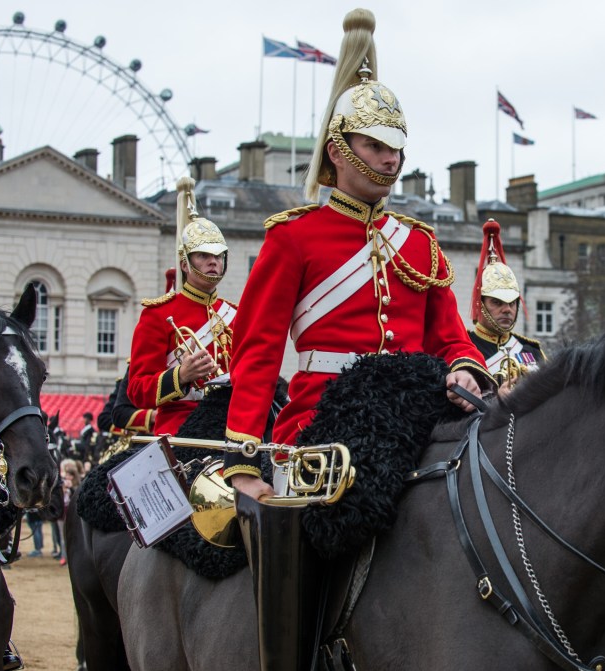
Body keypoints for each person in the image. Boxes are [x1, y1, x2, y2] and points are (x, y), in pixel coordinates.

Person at [221, 9, 491, 670]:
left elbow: (453, 337)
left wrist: (464, 369)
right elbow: (257, 350)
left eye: (395, 146)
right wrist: (243, 459)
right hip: (320, 420)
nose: (389, 158)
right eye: (373, 145)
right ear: (338, 149)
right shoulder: (293, 238)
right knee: (301, 538)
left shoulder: (419, 242)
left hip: (414, 414)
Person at [127, 177, 236, 435]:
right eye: (204, 256)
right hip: (180, 430)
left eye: (218, 256)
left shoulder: (234, 314)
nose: (213, 262)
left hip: (231, 427)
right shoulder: (158, 315)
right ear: (185, 264)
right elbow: (136, 390)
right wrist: (181, 375)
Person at [468, 219, 546, 390]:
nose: (507, 310)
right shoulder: (466, 347)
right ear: (481, 304)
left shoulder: (531, 351)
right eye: (497, 302)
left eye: (512, 303)